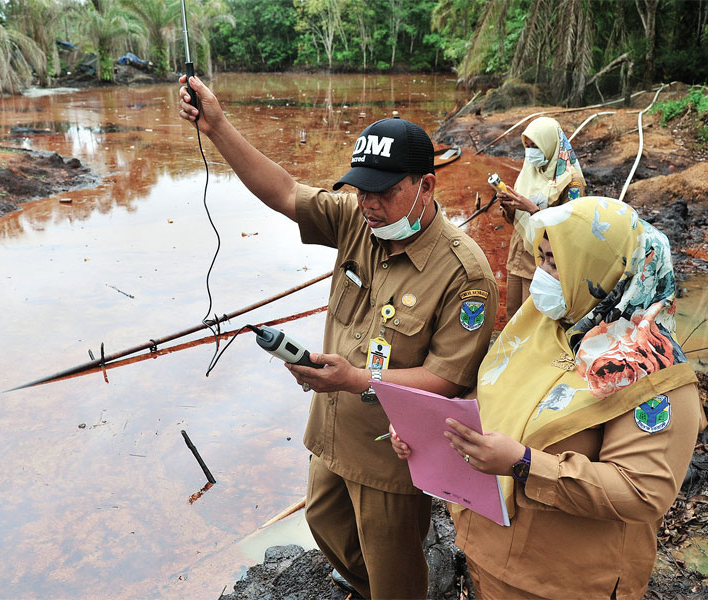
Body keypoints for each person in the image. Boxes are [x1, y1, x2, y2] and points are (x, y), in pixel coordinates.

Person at [178, 75, 498, 599]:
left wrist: (355, 378)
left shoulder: (467, 274)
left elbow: (445, 380)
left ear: (425, 186)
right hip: (332, 427)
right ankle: (358, 585)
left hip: (392, 448)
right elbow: (283, 190)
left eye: (385, 192)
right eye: (362, 190)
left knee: (393, 568)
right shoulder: (357, 222)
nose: (370, 204)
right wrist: (216, 127)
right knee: (325, 522)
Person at [391, 196, 705, 599]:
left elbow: (643, 491)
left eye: (556, 263)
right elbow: (490, 391)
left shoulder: (653, 372)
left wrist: (524, 464)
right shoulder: (542, 322)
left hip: (565, 581)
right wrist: (426, 428)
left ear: (602, 269)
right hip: (486, 548)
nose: (541, 275)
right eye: (540, 257)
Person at [498, 116, 585, 321]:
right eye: (526, 146)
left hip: (543, 264)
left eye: (535, 146)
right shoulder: (529, 171)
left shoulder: (571, 180)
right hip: (518, 256)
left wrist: (534, 210)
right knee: (513, 316)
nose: (530, 152)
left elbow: (571, 228)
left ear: (549, 144)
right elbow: (516, 220)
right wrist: (508, 206)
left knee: (534, 322)